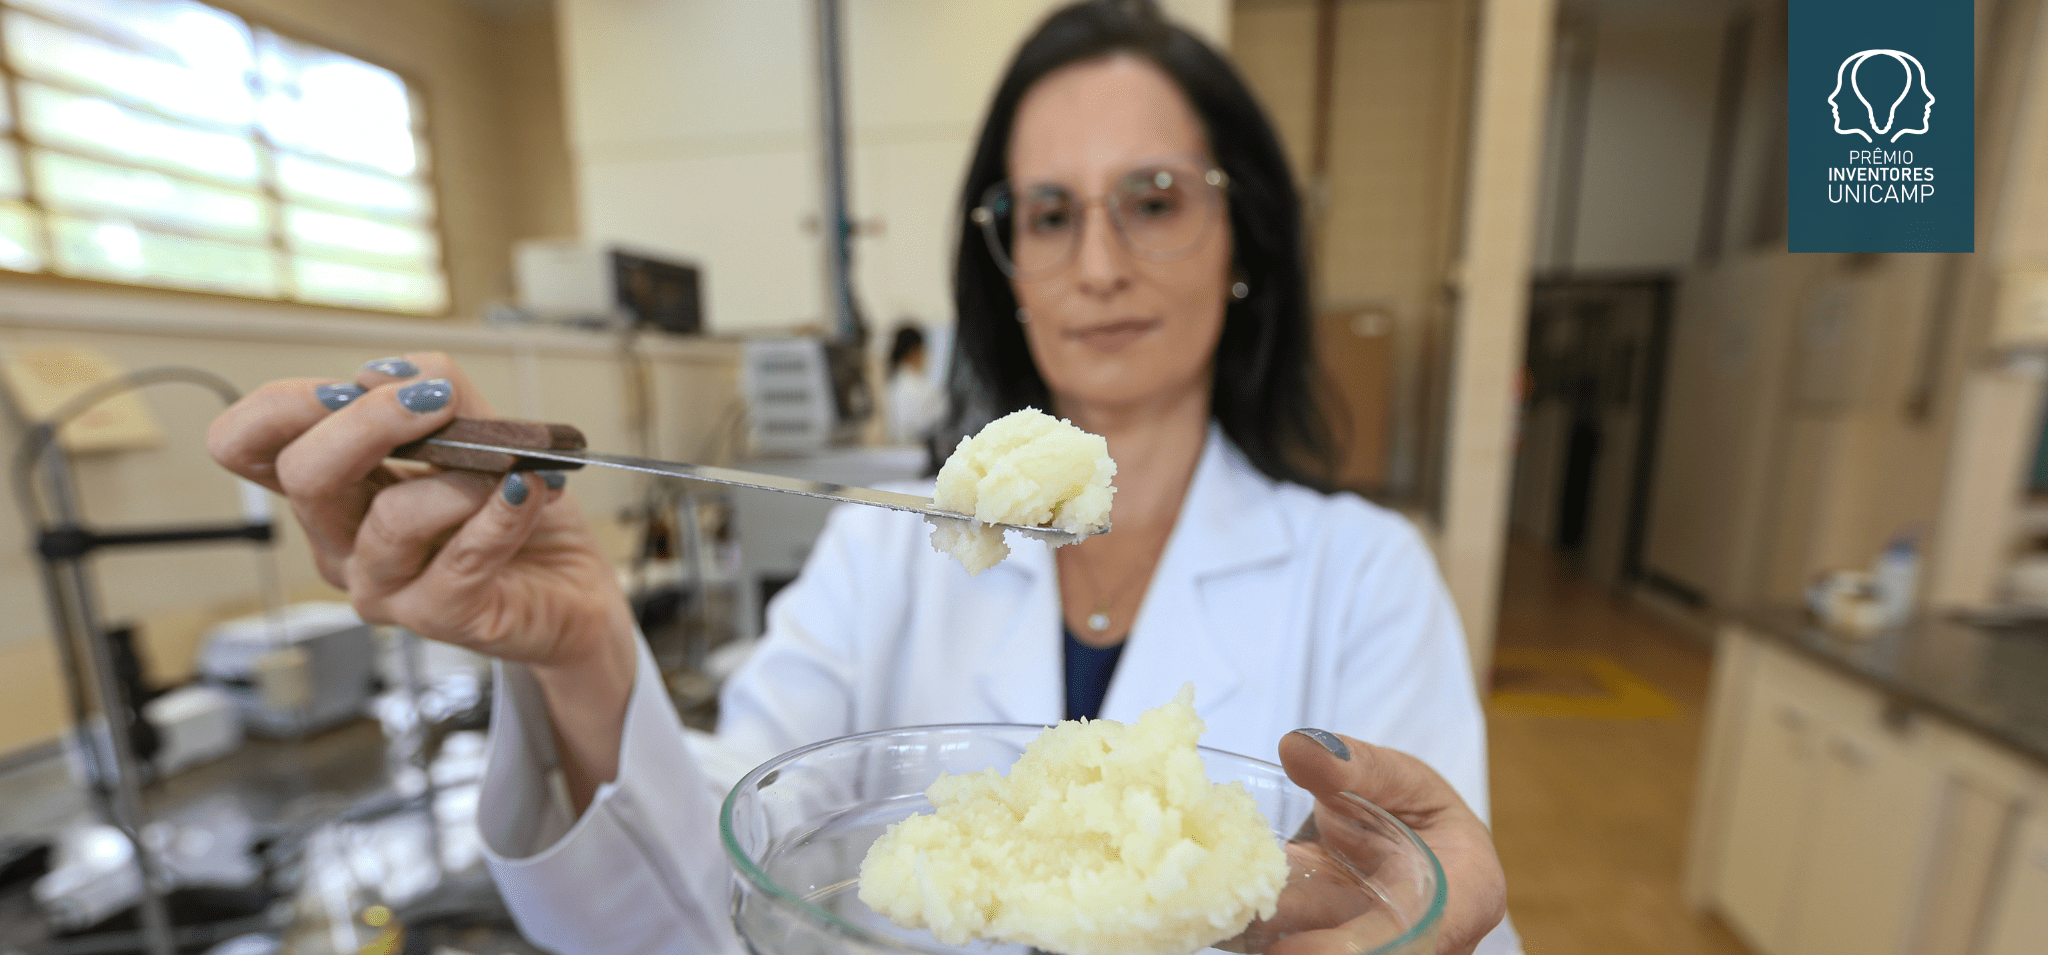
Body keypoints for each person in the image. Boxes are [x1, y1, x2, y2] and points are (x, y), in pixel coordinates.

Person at [206, 2, 1517, 953]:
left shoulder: (1363, 569)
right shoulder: (895, 544)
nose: (1099, 262)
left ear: (1246, 240)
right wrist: (584, 645)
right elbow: (718, 880)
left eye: (1157, 197)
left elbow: (1433, 907)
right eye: (1048, 212)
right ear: (1004, 258)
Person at [884, 322, 945, 445]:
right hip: (919, 452)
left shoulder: (892, 387)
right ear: (915, 351)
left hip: (899, 453)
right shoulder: (919, 388)